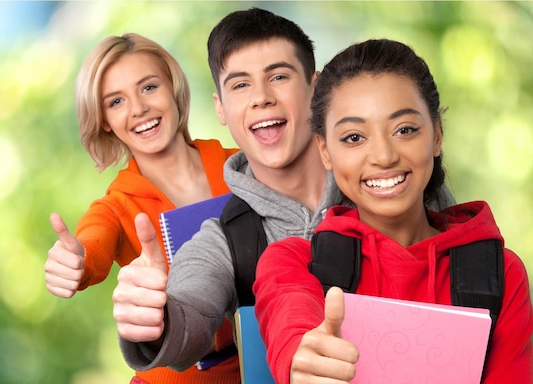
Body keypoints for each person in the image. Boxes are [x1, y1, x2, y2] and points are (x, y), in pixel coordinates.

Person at [113, 8, 454, 373]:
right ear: (221, 108)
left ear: (315, 86)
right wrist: (153, 319)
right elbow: (189, 317)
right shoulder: (223, 240)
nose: (261, 97)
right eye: (240, 84)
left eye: (278, 76)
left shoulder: (392, 181)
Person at [253, 38, 532, 384]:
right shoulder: (292, 263)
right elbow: (291, 318)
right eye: (354, 137)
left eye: (405, 130)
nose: (384, 156)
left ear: (437, 135)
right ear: (325, 151)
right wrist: (306, 357)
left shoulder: (499, 274)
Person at [43, 33, 240, 384]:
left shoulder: (240, 168)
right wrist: (77, 260)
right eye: (116, 101)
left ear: (173, 87)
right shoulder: (116, 206)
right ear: (104, 120)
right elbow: (93, 245)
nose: (138, 109)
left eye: (149, 88)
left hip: (264, 368)